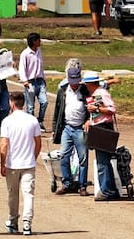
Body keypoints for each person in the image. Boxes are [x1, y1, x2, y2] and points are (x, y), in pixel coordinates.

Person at [0, 91, 42, 236]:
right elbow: (38, 143)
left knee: (13, 194)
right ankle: (27, 223)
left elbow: (4, 144)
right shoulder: (32, 120)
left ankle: (13, 221)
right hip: (28, 163)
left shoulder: (7, 121)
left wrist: (2, 163)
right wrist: (33, 157)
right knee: (28, 194)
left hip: (12, 164)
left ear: (11, 103)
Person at [52, 59, 89, 195]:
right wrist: (55, 129)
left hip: (80, 128)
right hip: (67, 128)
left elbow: (91, 108)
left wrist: (88, 120)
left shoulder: (85, 91)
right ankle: (67, 183)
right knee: (64, 156)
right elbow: (57, 111)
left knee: (83, 158)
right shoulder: (62, 91)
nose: (74, 84)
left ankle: (82, 186)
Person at [83, 71, 120, 201]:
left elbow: (112, 109)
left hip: (103, 128)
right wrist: (91, 120)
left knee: (102, 162)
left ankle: (107, 190)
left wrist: (96, 109)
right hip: (99, 127)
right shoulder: (97, 94)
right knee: (103, 161)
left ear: (89, 83)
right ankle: (110, 189)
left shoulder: (101, 93)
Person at [18, 33, 47, 130]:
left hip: (40, 80)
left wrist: (43, 78)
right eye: (38, 40)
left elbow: (41, 66)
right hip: (30, 82)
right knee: (30, 106)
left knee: (44, 102)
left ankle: (40, 121)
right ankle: (31, 124)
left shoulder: (39, 51)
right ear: (34, 41)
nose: (40, 41)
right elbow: (22, 68)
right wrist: (25, 80)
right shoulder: (25, 54)